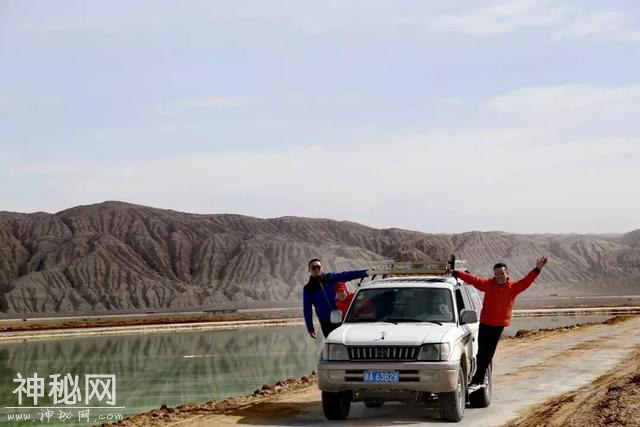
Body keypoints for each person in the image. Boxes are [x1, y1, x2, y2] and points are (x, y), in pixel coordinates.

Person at [452, 256, 549, 386]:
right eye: (496, 274)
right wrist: (457, 273)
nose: (499, 276)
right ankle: (479, 378)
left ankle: (478, 380)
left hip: (498, 325)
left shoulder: (513, 287)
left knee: (487, 354)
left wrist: (537, 269)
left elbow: (527, 281)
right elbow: (473, 280)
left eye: (502, 273)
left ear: (507, 273)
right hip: (485, 322)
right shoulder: (488, 284)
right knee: (481, 353)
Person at [303, 259, 368, 339]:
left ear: (321, 268)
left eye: (318, 267)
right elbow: (307, 310)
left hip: (342, 318)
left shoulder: (330, 278)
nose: (316, 269)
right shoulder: (308, 289)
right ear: (309, 270)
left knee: (346, 342)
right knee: (333, 346)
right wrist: (310, 328)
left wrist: (365, 273)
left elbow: (346, 275)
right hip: (326, 322)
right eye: (313, 268)